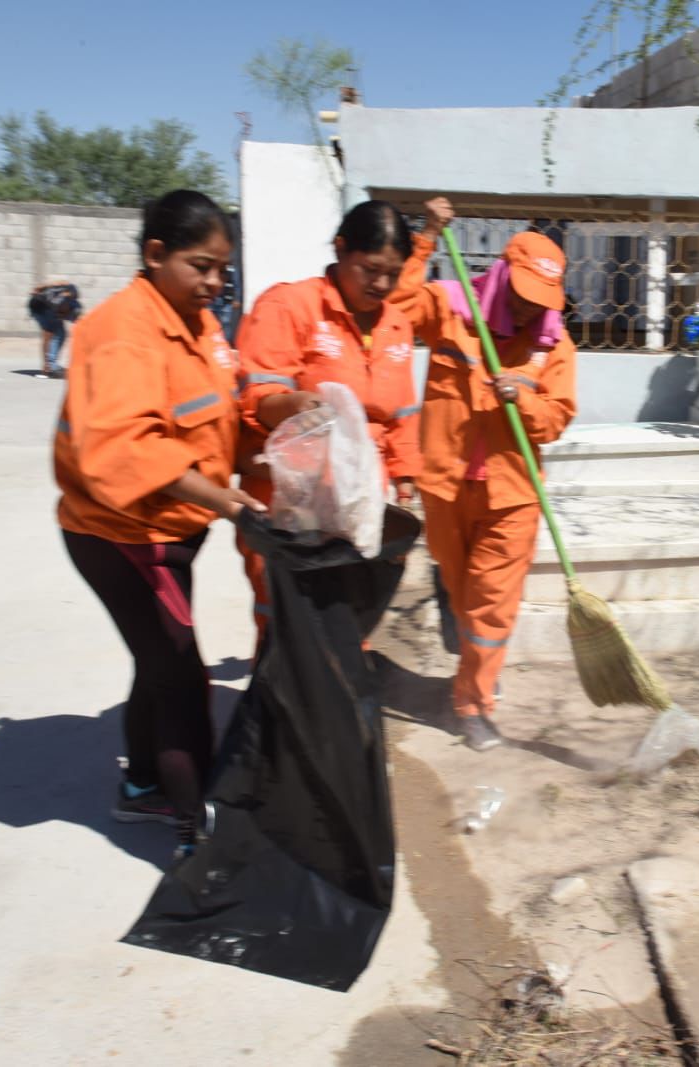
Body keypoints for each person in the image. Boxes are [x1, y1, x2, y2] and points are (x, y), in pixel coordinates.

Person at [52, 189, 264, 857]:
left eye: (223, 269)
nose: (215, 281)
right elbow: (126, 448)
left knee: (154, 659)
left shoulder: (196, 322)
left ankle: (141, 785)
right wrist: (230, 503)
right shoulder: (122, 333)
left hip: (171, 526)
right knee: (177, 671)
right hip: (123, 535)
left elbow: (217, 416)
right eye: (202, 265)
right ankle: (191, 831)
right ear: (154, 254)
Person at [389, 197, 576, 751]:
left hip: (512, 494)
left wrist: (527, 401)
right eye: (520, 297)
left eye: (539, 302)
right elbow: (397, 306)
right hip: (445, 485)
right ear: (501, 275)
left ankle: (473, 704)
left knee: (491, 605)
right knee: (460, 588)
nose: (525, 312)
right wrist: (426, 237)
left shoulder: (552, 343)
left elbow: (559, 415)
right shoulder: (451, 309)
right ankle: (462, 643)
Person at [233, 200, 423, 642]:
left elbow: (402, 415)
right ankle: (281, 708)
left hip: (359, 504)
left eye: (393, 274)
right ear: (341, 249)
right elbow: (257, 397)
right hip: (290, 503)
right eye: (370, 269)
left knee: (349, 623)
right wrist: (298, 403)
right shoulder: (291, 306)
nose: (381, 284)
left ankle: (338, 707)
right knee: (288, 627)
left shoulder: (396, 325)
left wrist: (406, 483)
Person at [28, 280, 81, 378]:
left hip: (49, 302)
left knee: (62, 334)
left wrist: (41, 286)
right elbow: (46, 340)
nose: (68, 319)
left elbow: (60, 282)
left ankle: (52, 365)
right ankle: (50, 367)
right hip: (38, 308)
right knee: (56, 334)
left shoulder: (73, 291)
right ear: (62, 310)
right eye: (67, 316)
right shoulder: (52, 309)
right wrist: (45, 364)